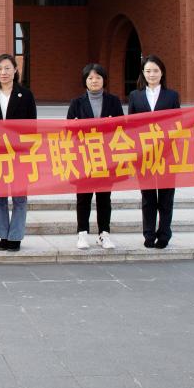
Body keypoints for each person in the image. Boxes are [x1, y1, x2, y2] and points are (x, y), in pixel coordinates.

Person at [0, 53, 37, 252]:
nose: (3, 72)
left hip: (19, 153)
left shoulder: (25, 95)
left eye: (7, 68)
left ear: (15, 70)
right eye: (0, 68)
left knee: (19, 197)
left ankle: (16, 236)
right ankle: (3, 235)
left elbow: (33, 126)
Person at [67, 63, 123, 251]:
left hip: (106, 157)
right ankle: (82, 233)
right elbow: (68, 132)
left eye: (98, 77)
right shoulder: (76, 103)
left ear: (104, 80)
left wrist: (113, 125)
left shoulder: (113, 101)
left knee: (104, 197)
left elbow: (122, 128)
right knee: (83, 197)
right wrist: (74, 127)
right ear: (85, 81)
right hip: (83, 157)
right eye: (90, 78)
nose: (94, 81)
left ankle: (104, 234)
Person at [127, 54, 181, 249]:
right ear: (143, 73)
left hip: (167, 154)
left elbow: (179, 123)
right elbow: (130, 125)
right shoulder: (135, 96)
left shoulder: (172, 96)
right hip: (144, 154)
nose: (152, 74)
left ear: (162, 73)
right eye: (148, 71)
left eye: (155, 71)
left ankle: (164, 234)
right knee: (148, 197)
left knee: (166, 198)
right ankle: (149, 233)